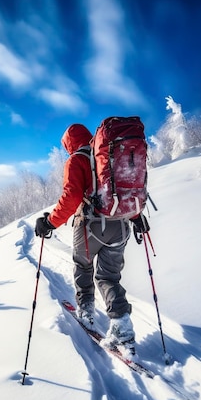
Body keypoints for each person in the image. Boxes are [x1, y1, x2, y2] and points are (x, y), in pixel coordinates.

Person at [35, 123, 149, 355]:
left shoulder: (76, 160)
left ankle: (86, 310)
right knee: (109, 277)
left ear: (68, 143)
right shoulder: (108, 156)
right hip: (120, 224)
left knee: (83, 266)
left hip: (89, 227)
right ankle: (122, 328)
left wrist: (50, 222)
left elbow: (72, 196)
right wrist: (136, 217)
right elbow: (123, 189)